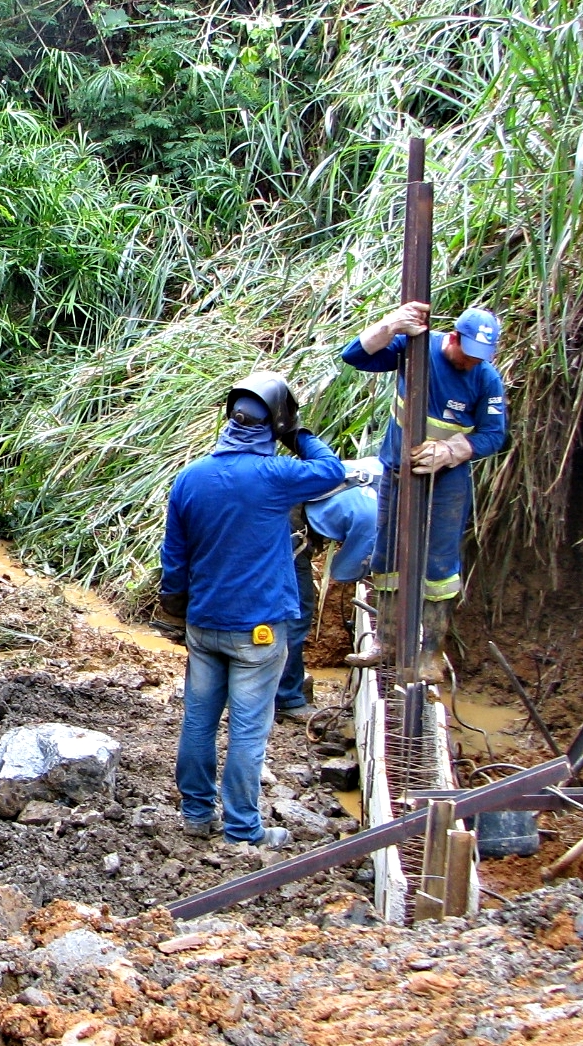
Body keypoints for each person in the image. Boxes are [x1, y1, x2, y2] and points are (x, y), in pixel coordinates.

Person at [158, 372, 347, 847]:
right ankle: (242, 828)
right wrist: (296, 434)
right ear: (274, 425)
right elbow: (331, 470)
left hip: (204, 622)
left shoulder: (190, 478)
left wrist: (178, 611)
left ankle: (196, 814)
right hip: (258, 630)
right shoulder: (276, 476)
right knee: (247, 728)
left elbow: (174, 560)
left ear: (229, 419)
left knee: (198, 720)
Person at [340, 303, 508, 679]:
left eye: (481, 357)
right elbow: (354, 356)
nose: (472, 362)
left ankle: (431, 653)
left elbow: (494, 434)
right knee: (387, 554)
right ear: (454, 338)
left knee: (440, 566)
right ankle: (386, 643)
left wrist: (451, 451)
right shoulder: (417, 349)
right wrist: (388, 326)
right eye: (468, 353)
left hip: (447, 481)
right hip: (398, 471)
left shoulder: (485, 379)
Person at [274, 460, 380, 723]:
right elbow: (344, 572)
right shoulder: (373, 515)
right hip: (287, 529)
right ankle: (286, 698)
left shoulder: (378, 467)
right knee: (295, 615)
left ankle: (255, 685)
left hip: (280, 511)